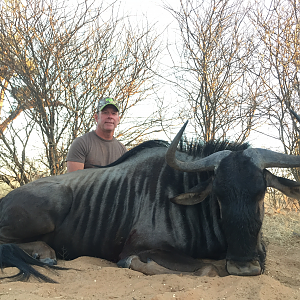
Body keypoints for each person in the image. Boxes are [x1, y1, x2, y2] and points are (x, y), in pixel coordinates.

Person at [66, 97, 127, 172]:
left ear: (118, 119)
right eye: (105, 112)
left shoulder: (123, 151)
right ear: (96, 117)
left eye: (113, 113)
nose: (110, 116)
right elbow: (73, 181)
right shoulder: (81, 143)